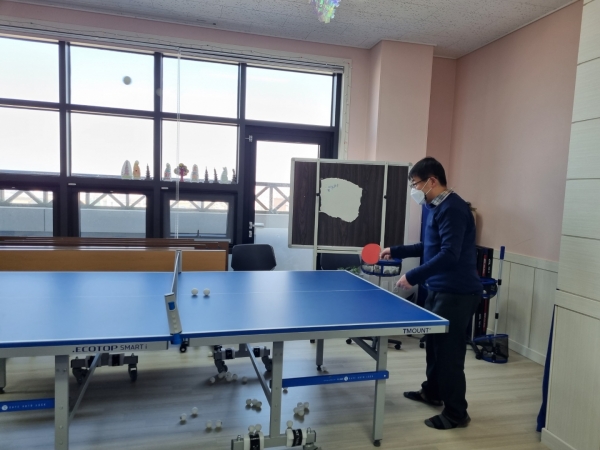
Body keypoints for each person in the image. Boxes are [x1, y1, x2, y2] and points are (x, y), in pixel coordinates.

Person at [380, 157, 482, 430]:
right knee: (434, 347)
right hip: (439, 289)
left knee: (449, 354)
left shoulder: (453, 208)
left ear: (431, 181)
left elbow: (449, 255)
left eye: (415, 184)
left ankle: (457, 413)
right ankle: (433, 392)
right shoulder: (437, 207)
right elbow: (430, 246)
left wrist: (412, 276)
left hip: (457, 293)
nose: (414, 189)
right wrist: (396, 250)